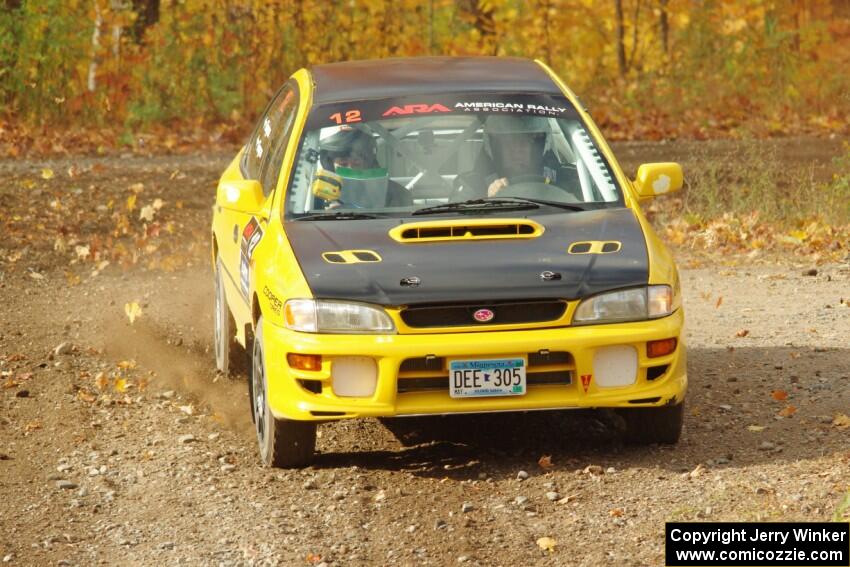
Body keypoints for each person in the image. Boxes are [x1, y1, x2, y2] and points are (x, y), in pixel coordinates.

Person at [453, 114, 559, 200]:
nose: (516, 150)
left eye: (523, 142)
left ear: (539, 147)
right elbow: (455, 217)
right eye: (509, 143)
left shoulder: (562, 178)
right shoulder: (473, 184)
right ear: (495, 149)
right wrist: (487, 199)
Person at [313, 128, 411, 208]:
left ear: (367, 163)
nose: (350, 169)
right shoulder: (314, 195)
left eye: (357, 163)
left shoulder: (394, 193)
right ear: (330, 165)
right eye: (343, 164)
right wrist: (327, 215)